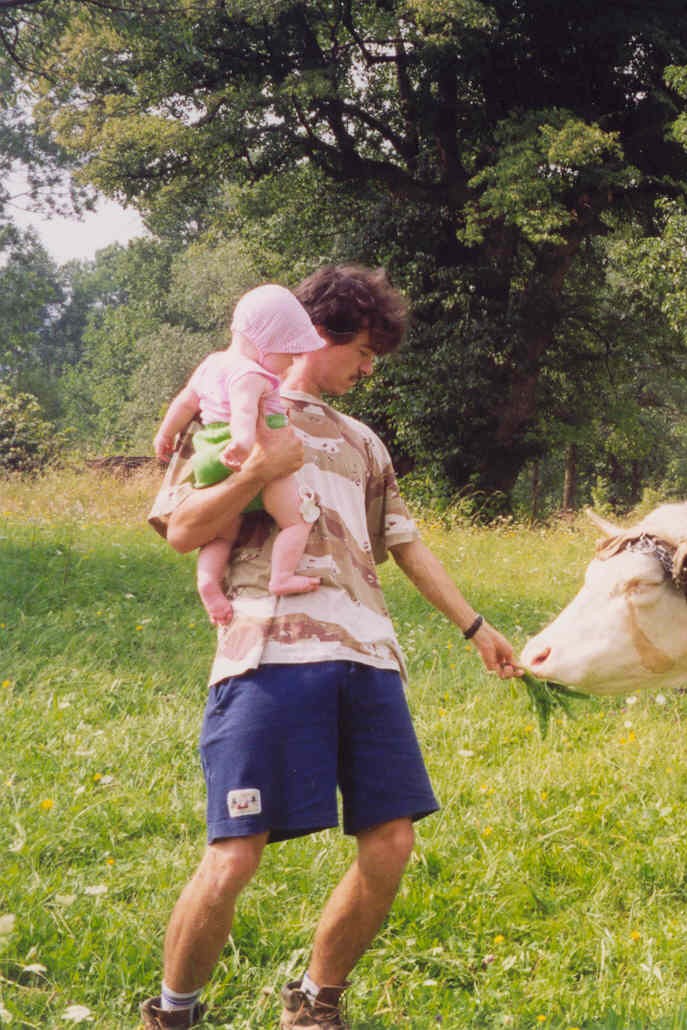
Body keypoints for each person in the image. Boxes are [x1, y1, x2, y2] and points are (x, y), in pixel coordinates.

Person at [141, 264, 521, 1029]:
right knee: (235, 856)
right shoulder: (226, 403)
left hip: (370, 660)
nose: (371, 367)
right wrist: (263, 469)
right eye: (367, 349)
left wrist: (477, 628)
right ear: (319, 336)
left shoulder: (364, 441)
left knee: (391, 844)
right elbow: (182, 530)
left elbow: (407, 545)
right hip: (267, 655)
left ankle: (316, 1003)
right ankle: (173, 1014)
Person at [153, 284, 327, 626]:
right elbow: (245, 412)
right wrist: (246, 446)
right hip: (249, 452)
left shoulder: (210, 364)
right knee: (297, 520)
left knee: (222, 533)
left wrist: (166, 432)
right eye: (288, 353)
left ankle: (207, 583)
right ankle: (282, 576)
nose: (292, 362)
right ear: (266, 344)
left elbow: (186, 401)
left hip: (210, 458)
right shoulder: (253, 373)